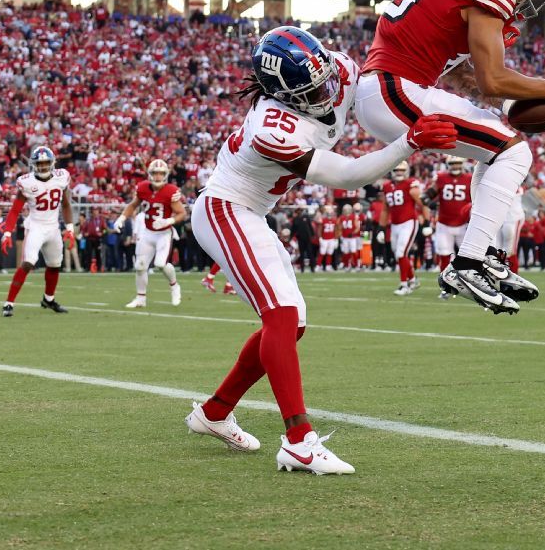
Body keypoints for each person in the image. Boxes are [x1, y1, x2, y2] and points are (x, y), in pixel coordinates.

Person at [183, 25, 459, 474]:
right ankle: (298, 440)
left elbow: (384, 89)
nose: (330, 92)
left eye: (328, 78)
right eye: (315, 90)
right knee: (281, 316)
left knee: (292, 325)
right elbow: (348, 175)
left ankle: (213, 413)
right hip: (226, 208)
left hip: (252, 212)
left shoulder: (337, 69)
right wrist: (409, 142)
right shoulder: (273, 126)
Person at [354, 0, 545, 314]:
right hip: (394, 88)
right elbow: (492, 77)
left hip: (389, 87)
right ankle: (466, 264)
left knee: (495, 149)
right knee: (514, 153)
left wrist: (506, 105)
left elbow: (461, 73)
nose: (530, 0)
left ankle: (486, 255)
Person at [0, 147, 73, 317]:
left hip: (53, 227)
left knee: (54, 265)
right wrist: (7, 233)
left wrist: (70, 228)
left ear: (52, 163)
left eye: (46, 163)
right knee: (28, 262)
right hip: (36, 227)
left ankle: (48, 299)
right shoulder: (27, 182)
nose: (43, 167)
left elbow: (66, 204)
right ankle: (9, 303)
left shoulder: (62, 178)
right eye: (40, 164)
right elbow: (15, 209)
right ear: (33, 165)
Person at [115, 160, 188, 308]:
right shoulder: (143, 188)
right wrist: (121, 218)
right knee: (140, 266)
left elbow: (182, 213)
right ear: (150, 174)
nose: (158, 176)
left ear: (166, 175)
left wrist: (168, 221)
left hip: (164, 234)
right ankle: (140, 299)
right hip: (148, 233)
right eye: (155, 173)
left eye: (161, 173)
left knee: (161, 264)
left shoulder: (170, 191)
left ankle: (174, 286)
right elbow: (133, 205)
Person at [381, 163, 428, 295]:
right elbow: (385, 209)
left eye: (402, 170)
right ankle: (413, 279)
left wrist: (427, 222)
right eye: (396, 170)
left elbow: (422, 204)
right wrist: (381, 228)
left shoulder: (411, 183)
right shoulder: (386, 186)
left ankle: (404, 285)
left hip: (409, 222)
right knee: (399, 254)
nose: (399, 172)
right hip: (395, 224)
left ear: (407, 171)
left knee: (401, 253)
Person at [428, 155, 471, 293]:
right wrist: (427, 198)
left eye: (458, 163)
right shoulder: (441, 177)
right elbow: (430, 193)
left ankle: (471, 285)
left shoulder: (470, 178)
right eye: (453, 164)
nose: (455, 166)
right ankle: (445, 286)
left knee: (470, 256)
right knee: (444, 255)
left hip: (464, 223)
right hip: (444, 223)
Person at [338, 204, 363, 271]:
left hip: (352, 238)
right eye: (345, 210)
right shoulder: (341, 218)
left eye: (347, 209)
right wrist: (340, 235)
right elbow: (339, 227)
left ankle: (356, 265)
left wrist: (352, 233)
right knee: (346, 252)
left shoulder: (353, 217)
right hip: (345, 237)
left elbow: (358, 227)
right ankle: (347, 265)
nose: (346, 211)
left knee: (354, 251)